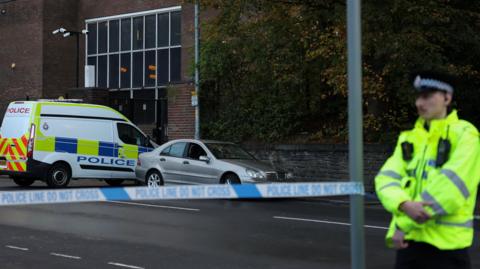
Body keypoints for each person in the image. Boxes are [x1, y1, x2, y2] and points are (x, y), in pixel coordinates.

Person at [375, 71, 480, 269]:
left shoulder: (466, 135)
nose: (419, 103)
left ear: (447, 98)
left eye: (427, 96)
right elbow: (385, 180)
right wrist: (404, 203)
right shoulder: (409, 138)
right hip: (410, 247)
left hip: (446, 249)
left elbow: (450, 190)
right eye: (418, 97)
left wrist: (402, 225)